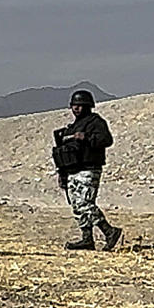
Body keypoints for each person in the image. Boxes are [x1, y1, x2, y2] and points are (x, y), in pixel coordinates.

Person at [52, 89, 121, 251]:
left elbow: (107, 140)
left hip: (89, 169)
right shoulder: (70, 128)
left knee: (85, 204)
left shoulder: (95, 122)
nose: (76, 108)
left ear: (88, 106)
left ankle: (109, 231)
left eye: (80, 105)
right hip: (72, 171)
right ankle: (87, 238)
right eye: (74, 105)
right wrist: (62, 174)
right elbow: (63, 154)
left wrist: (87, 138)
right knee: (76, 206)